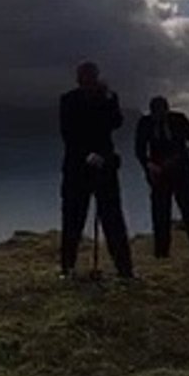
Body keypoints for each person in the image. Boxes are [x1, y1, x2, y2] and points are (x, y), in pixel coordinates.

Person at [58, 61, 135, 279]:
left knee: (113, 219)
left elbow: (116, 122)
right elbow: (68, 133)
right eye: (86, 77)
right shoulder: (68, 100)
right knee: (73, 220)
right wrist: (86, 155)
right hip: (77, 168)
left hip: (105, 166)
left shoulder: (108, 98)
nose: (90, 81)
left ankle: (125, 270)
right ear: (79, 79)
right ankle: (67, 268)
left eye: (93, 76)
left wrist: (109, 99)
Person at [135, 96, 189, 260]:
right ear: (152, 112)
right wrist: (149, 165)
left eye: (163, 111)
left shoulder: (179, 119)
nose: (160, 115)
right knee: (160, 214)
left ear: (167, 109)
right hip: (158, 175)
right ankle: (162, 253)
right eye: (157, 112)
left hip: (182, 174)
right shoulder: (145, 123)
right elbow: (139, 150)